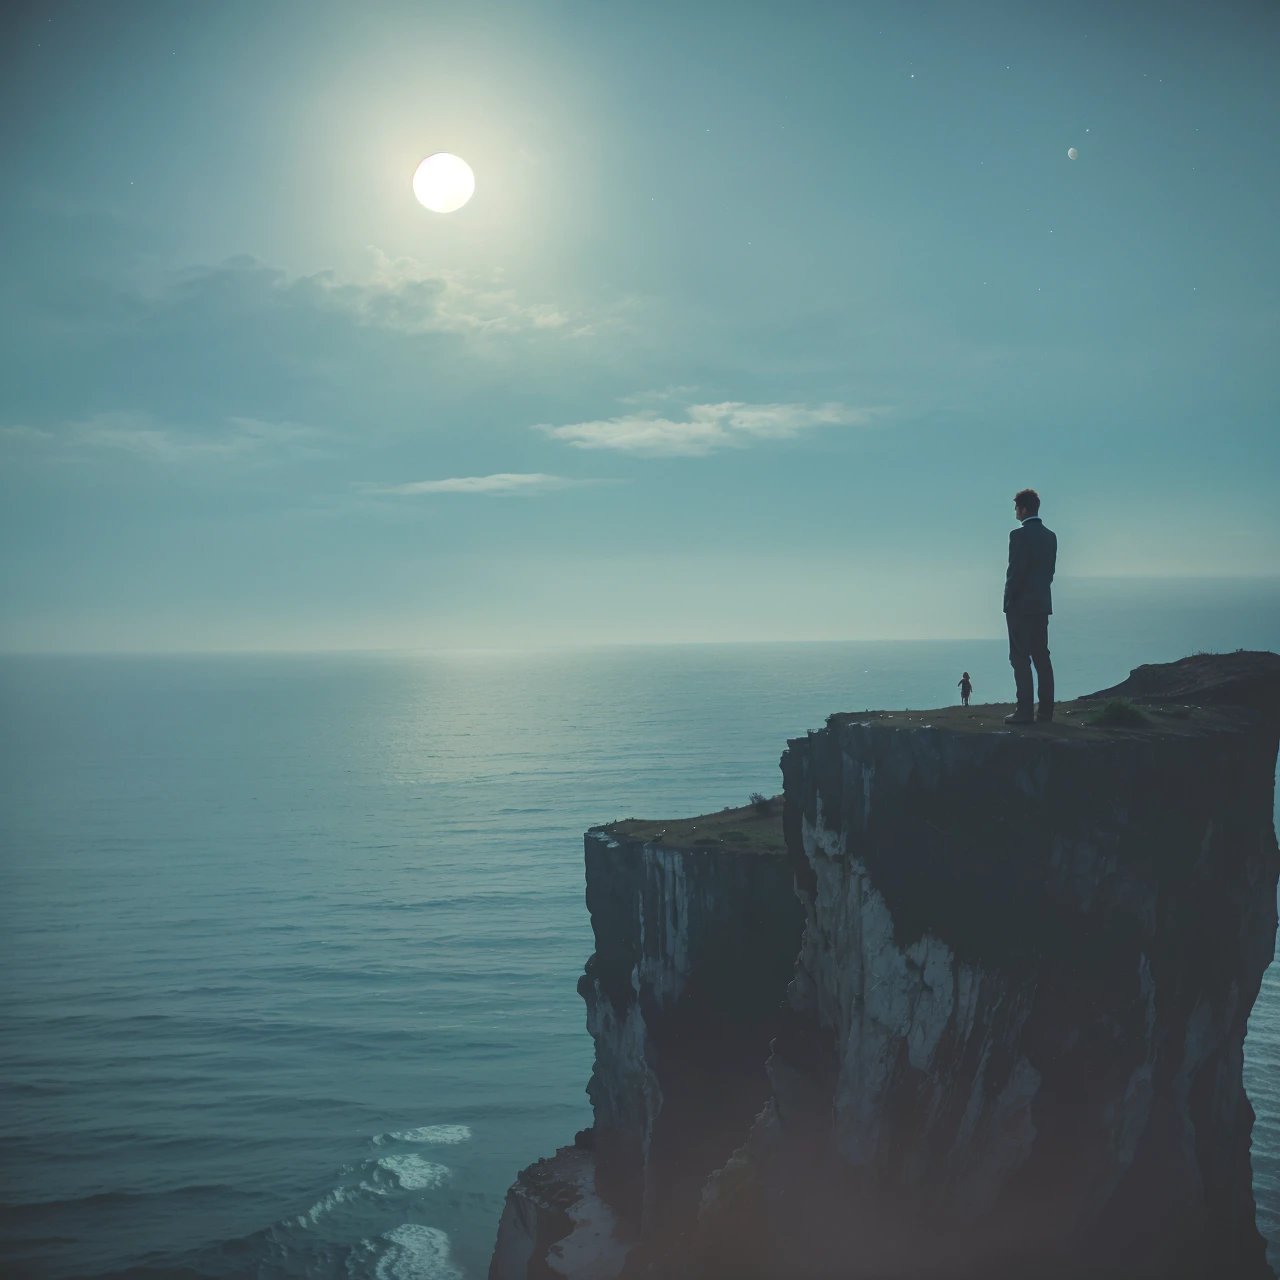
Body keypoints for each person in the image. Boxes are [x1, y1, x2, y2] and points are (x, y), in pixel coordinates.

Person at [1003, 488, 1056, 725]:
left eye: (1016, 508)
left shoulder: (1018, 535)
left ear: (1023, 509)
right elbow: (1049, 573)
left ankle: (1024, 711)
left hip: (1020, 606)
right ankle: (1045, 712)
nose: (1015, 512)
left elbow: (1015, 573)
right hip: (1042, 604)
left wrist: (1008, 601)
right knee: (1042, 657)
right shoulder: (1050, 536)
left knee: (1020, 657)